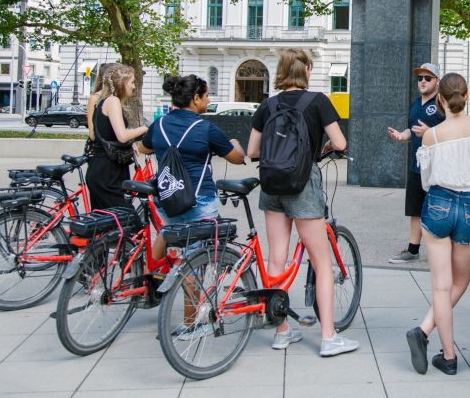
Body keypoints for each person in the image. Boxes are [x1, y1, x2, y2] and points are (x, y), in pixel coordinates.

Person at [247, 48, 357, 357]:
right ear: (306, 70)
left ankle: (282, 332)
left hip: (271, 185)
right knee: (322, 263)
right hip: (303, 183)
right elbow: (340, 143)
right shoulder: (318, 101)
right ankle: (328, 337)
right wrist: (318, 147)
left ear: (281, 71)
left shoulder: (267, 105)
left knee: (276, 259)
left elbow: (252, 150)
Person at [406, 73, 470, 376]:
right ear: (468, 94)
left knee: (440, 285)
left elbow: (425, 180)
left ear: (440, 99)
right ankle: (423, 333)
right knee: (460, 282)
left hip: (437, 202)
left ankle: (448, 356)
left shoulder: (431, 135)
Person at [137, 74, 245, 260]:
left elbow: (143, 148)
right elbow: (236, 158)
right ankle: (190, 286)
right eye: (206, 96)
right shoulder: (205, 128)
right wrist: (235, 142)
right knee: (193, 257)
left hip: (167, 196)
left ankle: (149, 277)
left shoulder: (159, 123)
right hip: (198, 198)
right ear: (196, 99)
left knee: (170, 228)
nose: (208, 100)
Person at [386, 62, 445, 264]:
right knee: (415, 209)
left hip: (437, 166)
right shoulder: (415, 104)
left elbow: (450, 131)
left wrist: (429, 132)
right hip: (417, 165)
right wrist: (401, 136)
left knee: (437, 208)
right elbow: (412, 130)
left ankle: (441, 251)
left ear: (437, 81)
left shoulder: (442, 102)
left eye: (427, 78)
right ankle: (413, 250)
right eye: (420, 78)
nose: (422, 81)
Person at [86, 64, 148, 209]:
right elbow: (122, 136)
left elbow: (111, 133)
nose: (133, 87)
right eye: (132, 82)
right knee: (128, 221)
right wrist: (144, 128)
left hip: (105, 170)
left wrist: (130, 141)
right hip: (107, 173)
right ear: (122, 83)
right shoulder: (112, 101)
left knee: (107, 225)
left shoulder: (105, 100)